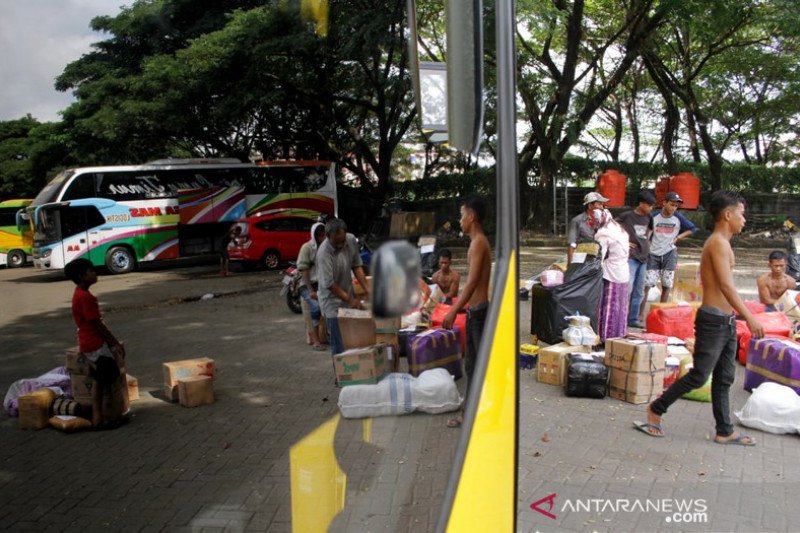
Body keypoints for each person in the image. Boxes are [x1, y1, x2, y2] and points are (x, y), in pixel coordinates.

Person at [635, 191, 764, 445]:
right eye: (741, 214)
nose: (744, 220)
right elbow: (726, 287)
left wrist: (739, 316)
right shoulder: (716, 243)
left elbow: (729, 288)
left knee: (725, 377)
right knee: (699, 375)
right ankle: (656, 410)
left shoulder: (724, 243)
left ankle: (724, 430)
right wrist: (750, 317)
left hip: (725, 322)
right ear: (728, 215)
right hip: (713, 321)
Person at [442, 195, 491, 428]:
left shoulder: (479, 242)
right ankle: (470, 413)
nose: (460, 220)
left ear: (471, 217)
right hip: (475, 312)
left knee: (479, 365)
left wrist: (453, 311)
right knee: (472, 365)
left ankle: (479, 415)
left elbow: (471, 284)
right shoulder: (476, 243)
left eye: (462, 216)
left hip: (479, 313)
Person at [64, 258, 125, 428]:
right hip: (95, 344)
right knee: (111, 377)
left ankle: (98, 417)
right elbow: (97, 324)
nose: (94, 273)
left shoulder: (79, 294)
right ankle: (113, 415)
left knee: (99, 379)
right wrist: (114, 343)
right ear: (82, 276)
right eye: (91, 271)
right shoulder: (85, 297)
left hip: (87, 343)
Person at [316, 218, 370, 359]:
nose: (341, 245)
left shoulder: (351, 240)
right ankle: (341, 377)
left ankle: (357, 372)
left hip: (347, 296)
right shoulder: (323, 254)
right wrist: (351, 299)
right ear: (328, 237)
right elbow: (330, 285)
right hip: (332, 304)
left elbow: (356, 265)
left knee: (352, 340)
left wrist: (367, 289)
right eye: (336, 242)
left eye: (342, 240)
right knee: (339, 343)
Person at [644, 191, 697, 304]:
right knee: (647, 284)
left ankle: (662, 309)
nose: (674, 208)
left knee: (667, 284)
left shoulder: (678, 217)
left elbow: (692, 229)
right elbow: (646, 230)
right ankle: (640, 314)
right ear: (664, 203)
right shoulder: (654, 216)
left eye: (676, 206)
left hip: (670, 254)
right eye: (672, 204)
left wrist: (678, 237)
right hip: (653, 253)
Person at [616, 190, 655, 328]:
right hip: (631, 257)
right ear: (641, 204)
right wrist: (624, 241)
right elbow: (612, 227)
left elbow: (650, 230)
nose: (651, 208)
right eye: (649, 205)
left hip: (644, 257)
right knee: (628, 288)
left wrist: (646, 241)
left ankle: (633, 319)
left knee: (639, 290)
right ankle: (621, 317)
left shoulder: (649, 217)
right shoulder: (627, 216)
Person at [593, 209, 630, 340]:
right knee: (620, 306)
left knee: (608, 305)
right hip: (624, 271)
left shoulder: (603, 233)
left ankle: (605, 337)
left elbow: (599, 256)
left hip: (611, 273)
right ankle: (619, 335)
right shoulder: (618, 229)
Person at [297, 222, 327, 351]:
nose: (322, 238)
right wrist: (310, 290)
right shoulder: (307, 248)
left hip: (321, 283)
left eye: (323, 235)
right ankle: (316, 340)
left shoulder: (326, 248)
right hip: (306, 284)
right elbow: (304, 271)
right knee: (315, 307)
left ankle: (327, 335)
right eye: (319, 236)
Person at [567, 191, 608, 264]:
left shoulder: (602, 220)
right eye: (599, 204)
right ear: (590, 205)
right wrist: (570, 266)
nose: (602, 207)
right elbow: (572, 244)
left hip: (598, 258)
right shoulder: (577, 221)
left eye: (602, 204)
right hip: (582, 258)